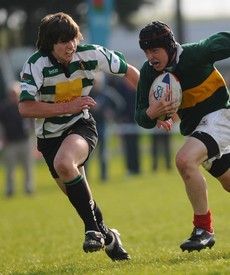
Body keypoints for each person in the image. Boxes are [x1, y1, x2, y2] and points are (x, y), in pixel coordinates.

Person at [135, 21, 230, 252]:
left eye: (154, 51)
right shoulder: (149, 72)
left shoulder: (197, 53)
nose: (150, 57)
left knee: (184, 161)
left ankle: (203, 229)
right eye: (146, 52)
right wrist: (152, 113)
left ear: (169, 46)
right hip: (199, 130)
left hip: (222, 116)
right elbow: (140, 115)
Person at [18, 12, 139, 261]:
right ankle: (109, 237)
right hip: (48, 139)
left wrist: (151, 107)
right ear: (49, 44)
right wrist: (65, 107)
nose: (70, 45)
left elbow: (129, 71)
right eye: (63, 41)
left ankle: (92, 230)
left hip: (80, 126)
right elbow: (25, 107)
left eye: (72, 38)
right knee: (85, 201)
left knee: (65, 164)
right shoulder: (36, 64)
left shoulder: (91, 54)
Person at [0, 81, 35, 197]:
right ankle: (10, 189)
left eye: (15, 93)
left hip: (25, 140)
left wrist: (33, 134)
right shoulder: (4, 108)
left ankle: (28, 188)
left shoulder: (24, 105)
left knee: (28, 167)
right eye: (11, 93)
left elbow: (32, 121)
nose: (13, 95)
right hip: (10, 142)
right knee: (10, 168)